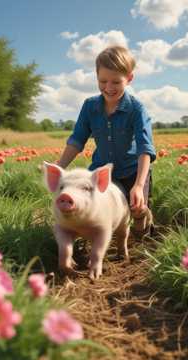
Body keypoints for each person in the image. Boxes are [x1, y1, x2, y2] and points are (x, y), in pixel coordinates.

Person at [57, 45, 156, 237]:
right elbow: (77, 140)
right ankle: (99, 239)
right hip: (102, 172)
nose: (108, 88)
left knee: (137, 209)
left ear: (129, 78)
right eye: (102, 81)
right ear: (96, 76)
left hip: (133, 172)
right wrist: (60, 166)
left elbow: (145, 149)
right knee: (93, 207)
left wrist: (138, 184)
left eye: (116, 82)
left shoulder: (137, 109)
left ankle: (143, 233)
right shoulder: (90, 106)